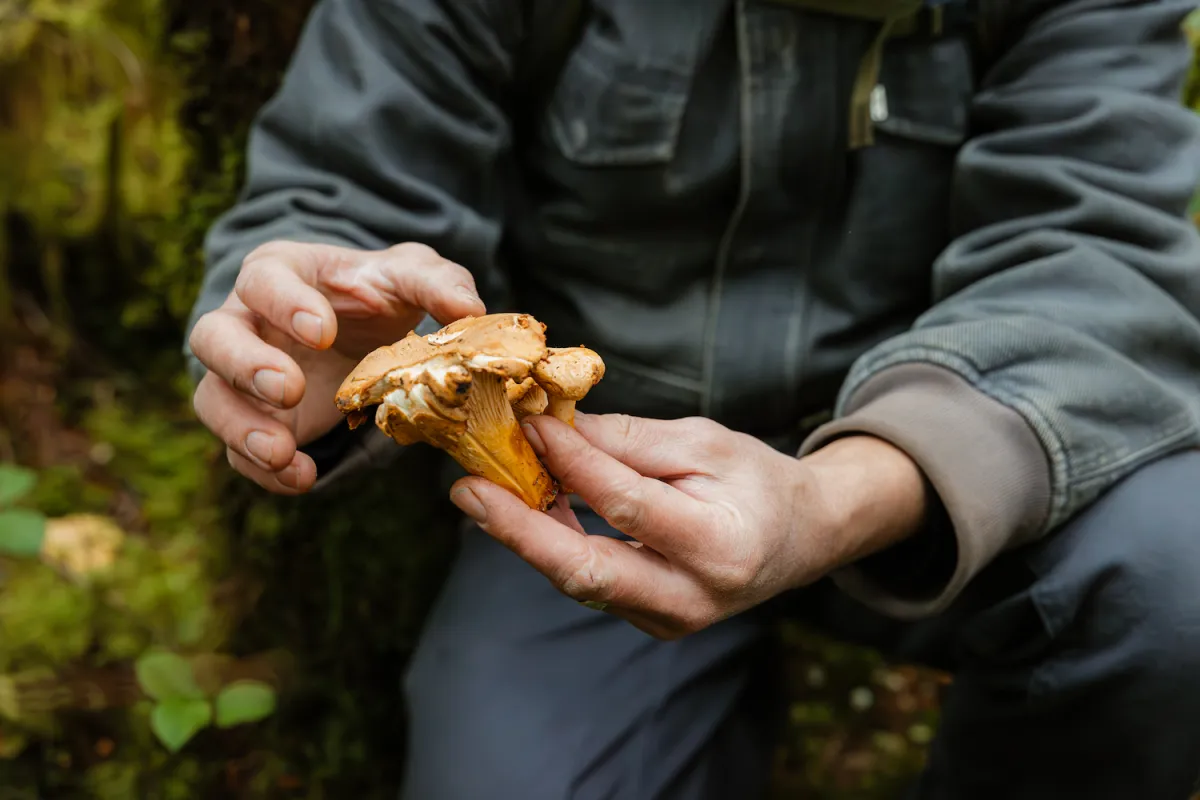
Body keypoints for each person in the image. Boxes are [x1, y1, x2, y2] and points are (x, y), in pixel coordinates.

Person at [184, 0, 1200, 797]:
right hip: (583, 494)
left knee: (1169, 569)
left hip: (936, 467)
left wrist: (836, 496)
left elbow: (1091, 258)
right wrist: (306, 333)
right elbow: (344, 184)